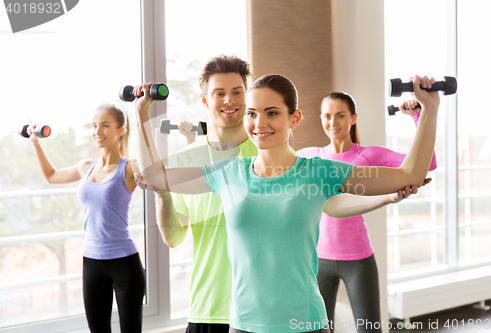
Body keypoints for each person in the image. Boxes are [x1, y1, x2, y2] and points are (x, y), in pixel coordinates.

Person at [134, 73, 439, 333]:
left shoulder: (320, 171)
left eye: (272, 112)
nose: (259, 122)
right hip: (243, 324)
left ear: (294, 118)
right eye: (251, 113)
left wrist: (429, 109)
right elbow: (152, 175)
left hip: (304, 324)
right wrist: (141, 114)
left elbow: (409, 174)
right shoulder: (227, 174)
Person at [135, 55, 257, 333]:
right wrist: (162, 195)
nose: (230, 100)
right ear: (205, 100)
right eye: (219, 93)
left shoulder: (268, 154)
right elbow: (174, 237)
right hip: (209, 308)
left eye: (237, 91)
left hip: (260, 307)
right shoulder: (184, 161)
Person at [297, 93, 437, 332]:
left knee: (370, 329)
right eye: (327, 116)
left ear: (353, 118)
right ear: (321, 118)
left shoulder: (368, 155)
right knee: (317, 330)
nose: (333, 122)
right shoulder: (310, 156)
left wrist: (417, 116)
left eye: (340, 115)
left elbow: (429, 163)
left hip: (358, 260)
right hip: (318, 260)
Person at [28, 104, 145, 333]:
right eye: (94, 126)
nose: (97, 131)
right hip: (91, 260)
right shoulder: (86, 167)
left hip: (124, 262)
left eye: (105, 125)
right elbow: (51, 176)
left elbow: (153, 169)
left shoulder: (130, 168)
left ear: (120, 130)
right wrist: (35, 142)